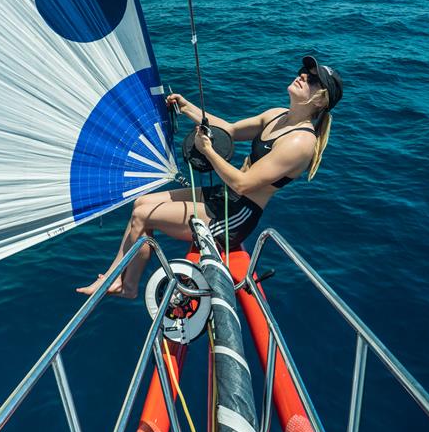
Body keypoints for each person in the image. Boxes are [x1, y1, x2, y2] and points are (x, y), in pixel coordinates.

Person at [76, 55, 343, 298]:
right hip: (225, 198)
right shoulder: (277, 116)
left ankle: (120, 282)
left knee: (142, 216)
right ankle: (125, 282)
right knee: (141, 203)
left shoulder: (300, 143)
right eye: (303, 72)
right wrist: (187, 107)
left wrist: (207, 150)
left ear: (320, 99)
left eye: (312, 79)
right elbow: (230, 129)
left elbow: (243, 182)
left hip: (235, 217)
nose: (302, 76)